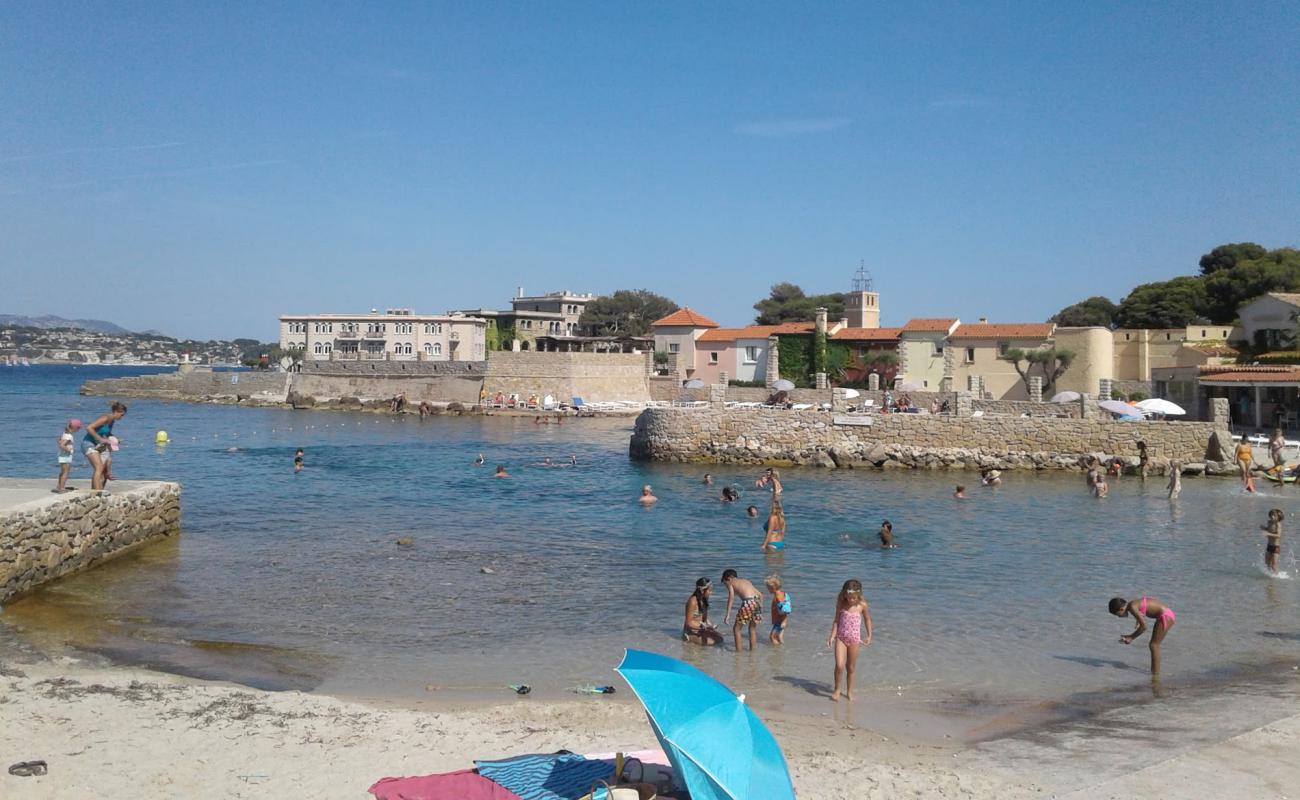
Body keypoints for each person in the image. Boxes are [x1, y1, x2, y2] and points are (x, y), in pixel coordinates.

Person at [828, 579, 873, 701]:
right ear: (844, 594)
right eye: (849, 597)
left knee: (851, 667)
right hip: (841, 638)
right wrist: (832, 636)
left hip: (854, 639)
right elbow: (836, 620)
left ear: (858, 595)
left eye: (853, 598)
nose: (851, 600)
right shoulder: (841, 604)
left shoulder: (862, 605)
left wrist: (869, 635)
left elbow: (867, 619)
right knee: (839, 665)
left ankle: (849, 692)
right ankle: (837, 689)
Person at [1109, 595, 1175, 675]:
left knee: (1154, 645)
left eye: (1118, 614)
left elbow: (1144, 626)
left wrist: (1131, 637)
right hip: (1167, 614)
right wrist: (1137, 621)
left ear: (1121, 609)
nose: (1119, 617)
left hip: (1165, 616)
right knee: (1154, 645)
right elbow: (1143, 608)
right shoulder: (1132, 604)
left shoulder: (1132, 607)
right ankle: (1155, 673)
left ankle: (1156, 675)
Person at [83, 401, 126, 491]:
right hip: (89, 444)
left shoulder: (112, 421)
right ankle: (97, 493)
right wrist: (100, 438)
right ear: (116, 411)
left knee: (104, 470)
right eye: (121, 415)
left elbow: (107, 433)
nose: (122, 417)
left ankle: (98, 491)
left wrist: (115, 439)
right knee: (99, 467)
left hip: (99, 446)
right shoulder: (105, 418)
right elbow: (89, 428)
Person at [720, 569, 763, 651]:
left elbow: (731, 598)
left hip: (748, 602)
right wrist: (760, 611)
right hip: (757, 601)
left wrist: (728, 615)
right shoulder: (746, 581)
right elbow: (760, 595)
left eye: (725, 584)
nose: (727, 586)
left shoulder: (731, 583)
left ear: (729, 578)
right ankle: (753, 651)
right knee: (752, 628)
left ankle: (738, 653)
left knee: (736, 629)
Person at [682, 578, 723, 646]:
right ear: (702, 590)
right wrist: (704, 627)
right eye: (709, 590)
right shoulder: (692, 601)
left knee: (720, 638)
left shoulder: (704, 599)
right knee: (712, 642)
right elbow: (688, 623)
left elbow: (704, 617)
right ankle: (688, 639)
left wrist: (710, 626)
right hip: (690, 632)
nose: (711, 593)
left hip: (701, 629)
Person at [55, 418, 82, 493]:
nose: (78, 430)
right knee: (66, 472)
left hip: (61, 455)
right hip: (66, 456)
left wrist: (61, 444)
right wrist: (68, 450)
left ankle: (59, 486)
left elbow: (58, 440)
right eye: (78, 428)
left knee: (62, 471)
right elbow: (62, 445)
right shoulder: (69, 436)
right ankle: (62, 488)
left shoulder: (64, 433)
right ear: (75, 428)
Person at [766, 575, 791, 645]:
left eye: (768, 588)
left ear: (773, 588)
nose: (767, 589)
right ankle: (781, 650)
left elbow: (784, 610)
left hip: (779, 621)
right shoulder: (782, 594)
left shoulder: (778, 597)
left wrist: (783, 621)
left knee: (772, 637)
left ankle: (777, 652)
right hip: (781, 620)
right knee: (779, 637)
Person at [1262, 508, 1284, 574]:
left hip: (1276, 547)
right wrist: (1265, 528)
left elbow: (1278, 535)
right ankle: (1269, 575)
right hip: (1269, 545)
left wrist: (1268, 534)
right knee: (1267, 562)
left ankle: (1276, 576)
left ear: (1278, 517)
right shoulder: (1269, 522)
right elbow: (1269, 530)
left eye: (1274, 515)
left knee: (1274, 564)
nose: (1272, 517)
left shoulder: (1278, 524)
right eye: (1271, 515)